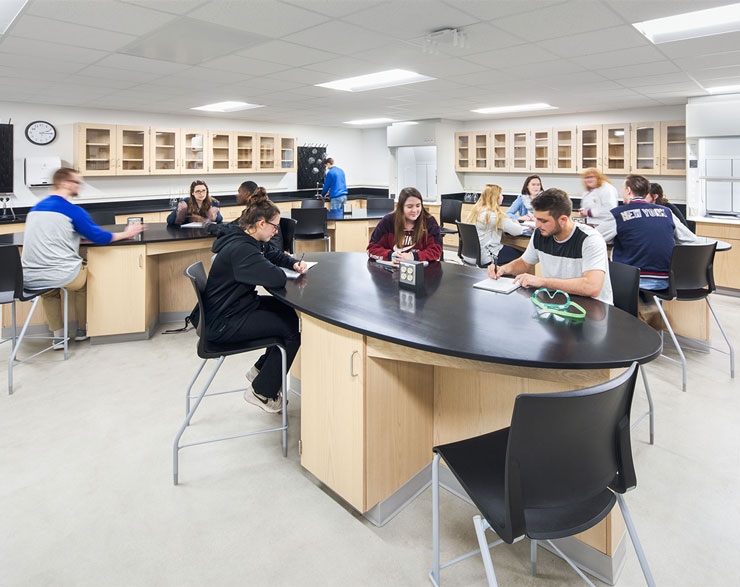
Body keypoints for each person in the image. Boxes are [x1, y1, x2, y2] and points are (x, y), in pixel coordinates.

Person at [204, 191, 306, 413]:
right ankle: (262, 392)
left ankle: (260, 371)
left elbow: (271, 253)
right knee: (291, 332)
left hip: (235, 307)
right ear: (261, 224)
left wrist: (293, 263)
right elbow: (275, 277)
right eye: (274, 227)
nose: (276, 231)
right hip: (225, 321)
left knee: (287, 313)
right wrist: (280, 269)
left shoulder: (244, 237)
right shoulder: (242, 249)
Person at [21, 168, 146, 344]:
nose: (79, 186)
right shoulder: (72, 211)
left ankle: (58, 337)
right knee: (84, 281)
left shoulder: (34, 210)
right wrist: (127, 233)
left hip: (31, 276)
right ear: (65, 183)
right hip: (63, 275)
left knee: (49, 293)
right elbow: (100, 237)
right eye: (76, 182)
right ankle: (82, 329)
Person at [489, 188, 613, 304]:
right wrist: (503, 269)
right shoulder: (540, 234)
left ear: (563, 220)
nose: (537, 225)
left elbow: (591, 287)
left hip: (593, 310)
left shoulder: (590, 239)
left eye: (543, 221)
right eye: (536, 219)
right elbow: (524, 263)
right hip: (558, 304)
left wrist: (542, 281)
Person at [598, 174, 697, 291]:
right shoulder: (666, 212)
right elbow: (691, 239)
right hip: (666, 280)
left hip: (630, 280)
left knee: (598, 273)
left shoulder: (618, 214)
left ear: (628, 191)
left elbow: (594, 237)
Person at [367, 187, 442, 264]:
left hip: (422, 271)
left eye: (418, 206)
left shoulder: (429, 222)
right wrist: (391, 255)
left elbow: (436, 251)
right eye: (409, 206)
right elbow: (371, 248)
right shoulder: (388, 221)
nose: (414, 210)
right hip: (393, 271)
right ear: (401, 207)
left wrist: (413, 257)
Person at [466, 184, 524, 266]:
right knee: (525, 256)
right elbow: (518, 231)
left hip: (471, 256)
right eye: (501, 194)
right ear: (496, 198)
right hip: (487, 257)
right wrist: (516, 223)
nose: (502, 197)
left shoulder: (476, 212)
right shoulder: (494, 216)